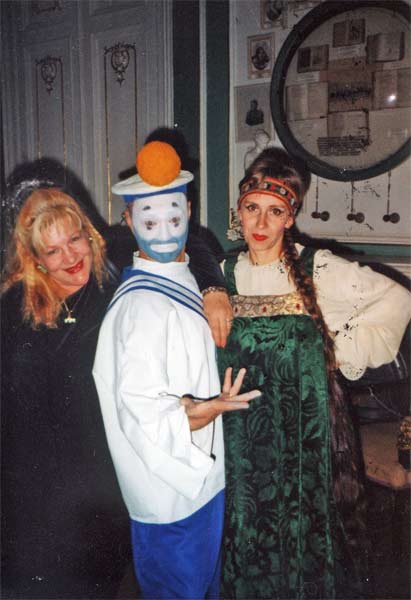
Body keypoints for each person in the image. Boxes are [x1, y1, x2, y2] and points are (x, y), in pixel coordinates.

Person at [0, 174, 232, 598]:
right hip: (41, 485)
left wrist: (214, 287)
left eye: (75, 240)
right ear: (35, 258)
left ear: (89, 234)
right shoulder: (14, 310)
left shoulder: (111, 264)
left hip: (108, 472)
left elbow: (191, 240)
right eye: (53, 251)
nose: (71, 257)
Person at [217, 147, 411, 599]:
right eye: (252, 208)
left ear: (290, 217)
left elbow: (398, 301)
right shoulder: (224, 273)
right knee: (246, 526)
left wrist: (334, 350)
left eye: (274, 212)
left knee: (299, 528)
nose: (261, 223)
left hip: (302, 431)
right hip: (238, 434)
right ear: (238, 212)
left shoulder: (316, 267)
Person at [92, 141, 260, 599]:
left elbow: (199, 249)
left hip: (205, 478)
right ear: (129, 222)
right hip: (169, 493)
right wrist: (206, 410)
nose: (164, 234)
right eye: (149, 223)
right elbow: (141, 411)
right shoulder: (137, 308)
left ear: (188, 211)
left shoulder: (185, 271)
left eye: (173, 218)